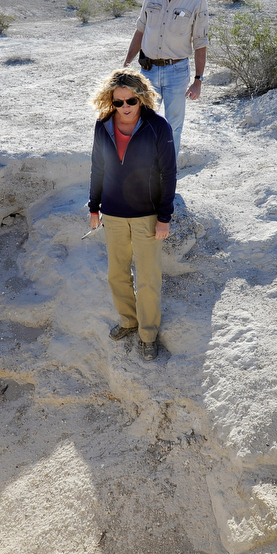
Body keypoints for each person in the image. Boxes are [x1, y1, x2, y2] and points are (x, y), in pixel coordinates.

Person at [88, 69, 177, 361]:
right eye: (118, 102)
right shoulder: (103, 126)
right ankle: (129, 322)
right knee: (117, 275)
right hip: (113, 214)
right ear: (110, 101)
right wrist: (94, 207)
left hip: (147, 216)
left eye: (130, 101)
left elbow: (169, 173)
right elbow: (97, 169)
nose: (124, 107)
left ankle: (148, 335)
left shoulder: (157, 127)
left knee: (148, 278)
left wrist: (164, 217)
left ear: (141, 99)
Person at [123, 0, 209, 156]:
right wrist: (126, 64)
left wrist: (198, 79)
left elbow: (200, 42)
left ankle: (167, 174)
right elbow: (140, 29)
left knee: (173, 127)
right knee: (144, 124)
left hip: (177, 73)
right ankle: (145, 172)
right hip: (148, 71)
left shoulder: (197, 1)